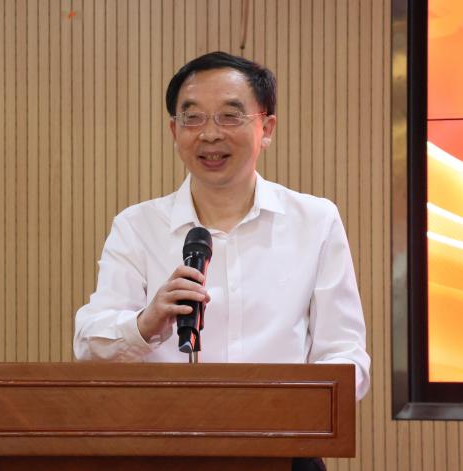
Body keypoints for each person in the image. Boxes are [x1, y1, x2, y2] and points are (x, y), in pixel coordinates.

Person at [74, 51, 370, 471]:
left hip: (283, 453)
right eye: (192, 118)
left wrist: (289, 409)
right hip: (163, 453)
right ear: (174, 131)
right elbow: (89, 344)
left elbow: (345, 355)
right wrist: (145, 323)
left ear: (266, 129)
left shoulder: (315, 221)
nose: (210, 134)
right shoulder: (137, 226)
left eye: (230, 116)